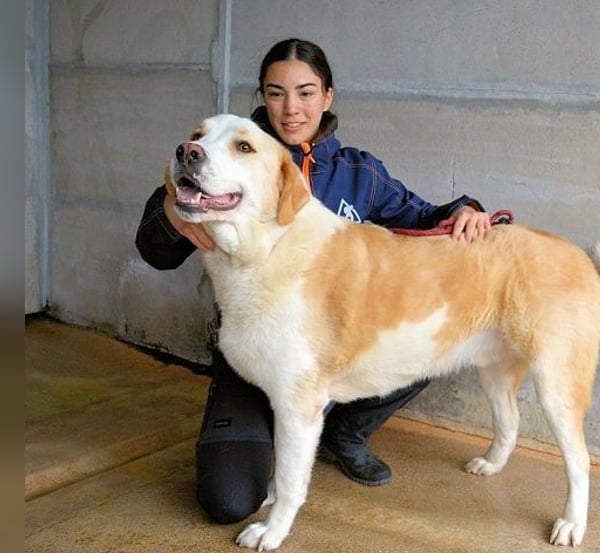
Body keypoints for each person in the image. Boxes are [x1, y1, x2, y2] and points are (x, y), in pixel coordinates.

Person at [135, 38, 491, 525]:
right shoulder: (222, 159)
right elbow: (154, 251)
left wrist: (467, 212)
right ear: (262, 97)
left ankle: (344, 431)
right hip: (250, 359)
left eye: (305, 92)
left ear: (328, 96)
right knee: (228, 500)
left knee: (429, 332)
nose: (291, 108)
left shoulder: (359, 173)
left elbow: (425, 216)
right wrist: (174, 216)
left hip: (331, 352)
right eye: (276, 93)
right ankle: (277, 432)